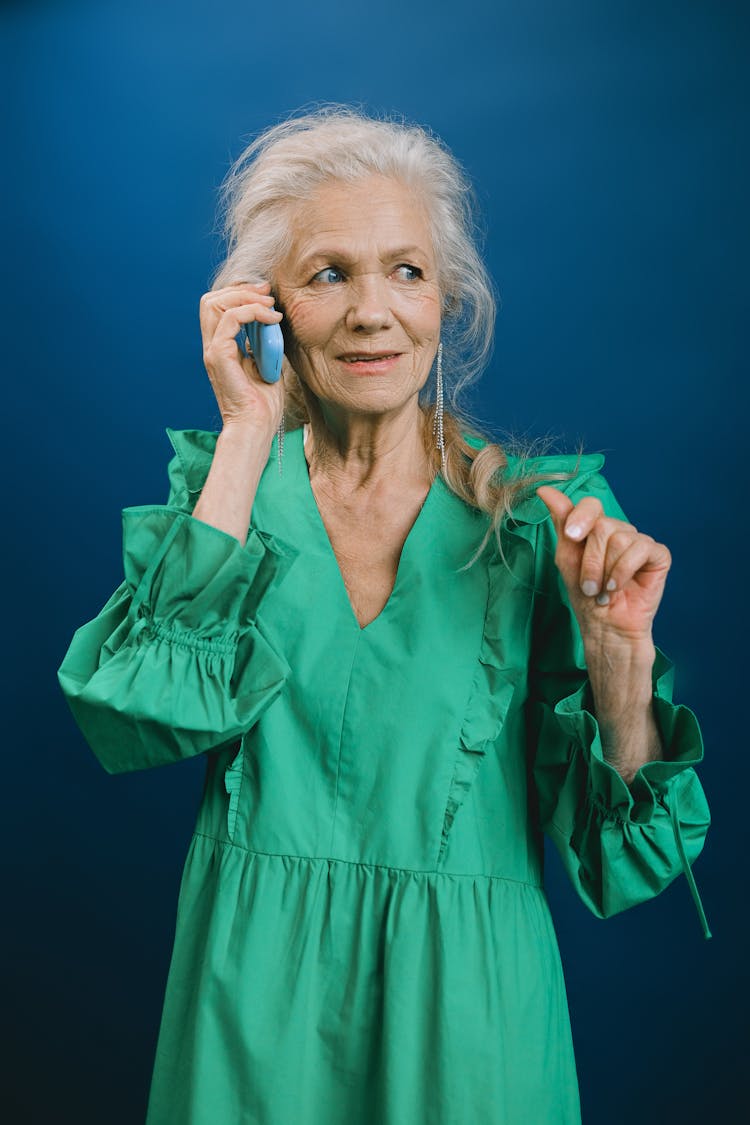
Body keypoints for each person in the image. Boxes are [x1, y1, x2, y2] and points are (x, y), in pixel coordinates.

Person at [58, 106, 712, 1125]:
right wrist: (243, 431)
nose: (373, 312)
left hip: (470, 1016)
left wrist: (621, 657)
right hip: (247, 1004)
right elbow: (134, 715)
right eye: (328, 274)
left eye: (406, 271)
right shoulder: (231, 499)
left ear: (448, 302)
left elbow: (625, 859)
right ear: (268, 311)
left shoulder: (548, 520)